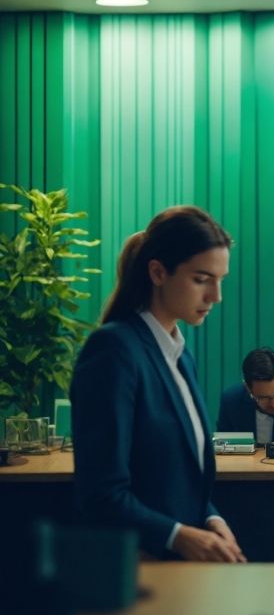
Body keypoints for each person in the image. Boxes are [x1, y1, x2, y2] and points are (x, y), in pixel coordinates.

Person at [71, 206, 246, 563]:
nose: (216, 296)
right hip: (138, 571)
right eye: (202, 279)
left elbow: (175, 478)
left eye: (220, 279)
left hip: (182, 570)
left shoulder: (181, 355)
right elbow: (102, 494)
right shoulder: (114, 350)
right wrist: (178, 537)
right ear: (157, 272)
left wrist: (209, 517)